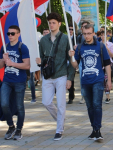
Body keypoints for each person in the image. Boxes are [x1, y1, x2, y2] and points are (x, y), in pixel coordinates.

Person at [69, 24, 112, 141]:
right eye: (84, 34)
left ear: (93, 33)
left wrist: (109, 80)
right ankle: (94, 129)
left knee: (97, 105)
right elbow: (75, 66)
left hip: (98, 80)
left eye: (89, 33)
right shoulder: (79, 47)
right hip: (85, 81)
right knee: (89, 106)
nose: (87, 36)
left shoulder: (100, 46)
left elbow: (107, 63)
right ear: (82, 34)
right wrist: (71, 57)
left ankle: (97, 130)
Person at [36, 12, 75, 141]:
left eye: (54, 23)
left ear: (59, 24)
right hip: (48, 76)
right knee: (46, 102)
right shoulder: (43, 40)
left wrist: (70, 78)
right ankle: (61, 118)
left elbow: (71, 59)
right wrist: (39, 62)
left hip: (61, 74)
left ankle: (59, 130)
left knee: (61, 103)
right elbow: (41, 57)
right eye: (50, 23)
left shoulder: (65, 39)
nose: (51, 25)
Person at [0, 25, 30, 140]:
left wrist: (12, 63)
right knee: (4, 104)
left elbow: (27, 65)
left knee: (19, 106)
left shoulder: (22, 47)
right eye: (8, 34)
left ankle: (19, 129)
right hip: (7, 80)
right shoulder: (5, 47)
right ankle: (11, 126)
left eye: (13, 33)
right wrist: (2, 59)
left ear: (18, 34)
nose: (10, 36)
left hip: (19, 81)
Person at [76, 21, 90, 104]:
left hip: (90, 60)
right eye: (82, 27)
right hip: (82, 61)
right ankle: (83, 96)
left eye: (85, 26)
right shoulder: (79, 37)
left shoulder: (93, 37)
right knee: (82, 78)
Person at [100, 31, 113, 104]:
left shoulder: (110, 44)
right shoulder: (98, 44)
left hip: (108, 63)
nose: (103, 37)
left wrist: (107, 48)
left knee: (106, 79)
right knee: (100, 80)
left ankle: (107, 97)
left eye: (104, 35)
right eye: (101, 35)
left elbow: (112, 55)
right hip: (100, 64)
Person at [67, 25, 76, 104]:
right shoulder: (65, 38)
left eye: (72, 29)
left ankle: (71, 97)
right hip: (66, 60)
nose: (70, 30)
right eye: (69, 29)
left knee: (71, 78)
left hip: (73, 61)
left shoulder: (76, 38)